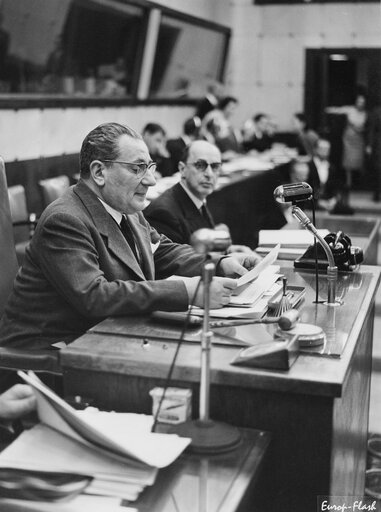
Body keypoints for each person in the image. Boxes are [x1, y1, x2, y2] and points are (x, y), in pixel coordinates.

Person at [0, 123, 258, 350]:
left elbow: (163, 252)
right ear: (99, 172)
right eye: (138, 168)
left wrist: (219, 263)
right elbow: (95, 297)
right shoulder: (65, 219)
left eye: (150, 167)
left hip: (101, 334)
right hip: (47, 350)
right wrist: (187, 291)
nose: (151, 181)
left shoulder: (126, 208)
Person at [145, 140, 256, 255]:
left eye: (215, 166)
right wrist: (224, 258)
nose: (209, 174)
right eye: (200, 165)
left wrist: (228, 251)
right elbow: (179, 266)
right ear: (182, 169)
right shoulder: (163, 213)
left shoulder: (196, 197)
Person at [326, 92, 368, 194]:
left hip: (359, 139)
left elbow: (366, 127)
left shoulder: (365, 114)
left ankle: (359, 182)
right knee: (348, 160)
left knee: (359, 160)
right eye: (359, 101)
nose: (360, 103)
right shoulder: (350, 109)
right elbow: (338, 110)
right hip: (349, 138)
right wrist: (327, 109)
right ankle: (349, 182)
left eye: (362, 102)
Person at [366, 104, 381, 202]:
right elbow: (371, 129)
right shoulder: (377, 111)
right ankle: (377, 194)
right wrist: (370, 145)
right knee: (378, 170)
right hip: (379, 145)